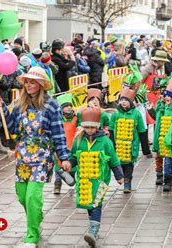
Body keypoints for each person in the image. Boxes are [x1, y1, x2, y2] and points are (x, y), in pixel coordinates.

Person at [0, 67, 72, 247]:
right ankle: (36, 216)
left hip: (42, 156)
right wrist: (3, 111)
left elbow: (58, 134)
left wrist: (64, 157)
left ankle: (32, 236)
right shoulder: (19, 103)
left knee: (32, 197)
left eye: (32, 82)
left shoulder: (51, 105)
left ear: (40, 84)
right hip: (22, 156)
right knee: (22, 195)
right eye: (26, 82)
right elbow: (12, 129)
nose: (29, 85)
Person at [69, 107, 124, 247]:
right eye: (86, 127)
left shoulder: (105, 142)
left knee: (96, 203)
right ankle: (93, 226)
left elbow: (113, 159)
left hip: (100, 181)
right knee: (89, 203)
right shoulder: (78, 141)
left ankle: (93, 230)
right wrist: (69, 168)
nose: (89, 130)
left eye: (92, 127)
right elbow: (73, 158)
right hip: (84, 180)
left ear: (97, 126)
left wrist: (119, 175)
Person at [109, 87, 147, 193]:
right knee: (119, 164)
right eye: (121, 100)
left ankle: (127, 183)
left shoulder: (136, 114)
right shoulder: (115, 114)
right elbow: (111, 130)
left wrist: (145, 149)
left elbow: (142, 131)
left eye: (126, 100)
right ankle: (122, 178)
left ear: (130, 101)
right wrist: (112, 145)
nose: (123, 102)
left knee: (129, 165)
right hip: (118, 145)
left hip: (131, 146)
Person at [53, 93, 78, 194]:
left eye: (70, 106)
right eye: (65, 106)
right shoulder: (58, 119)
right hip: (60, 146)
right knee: (58, 166)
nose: (68, 108)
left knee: (72, 167)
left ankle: (69, 178)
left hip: (72, 147)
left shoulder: (76, 118)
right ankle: (57, 184)